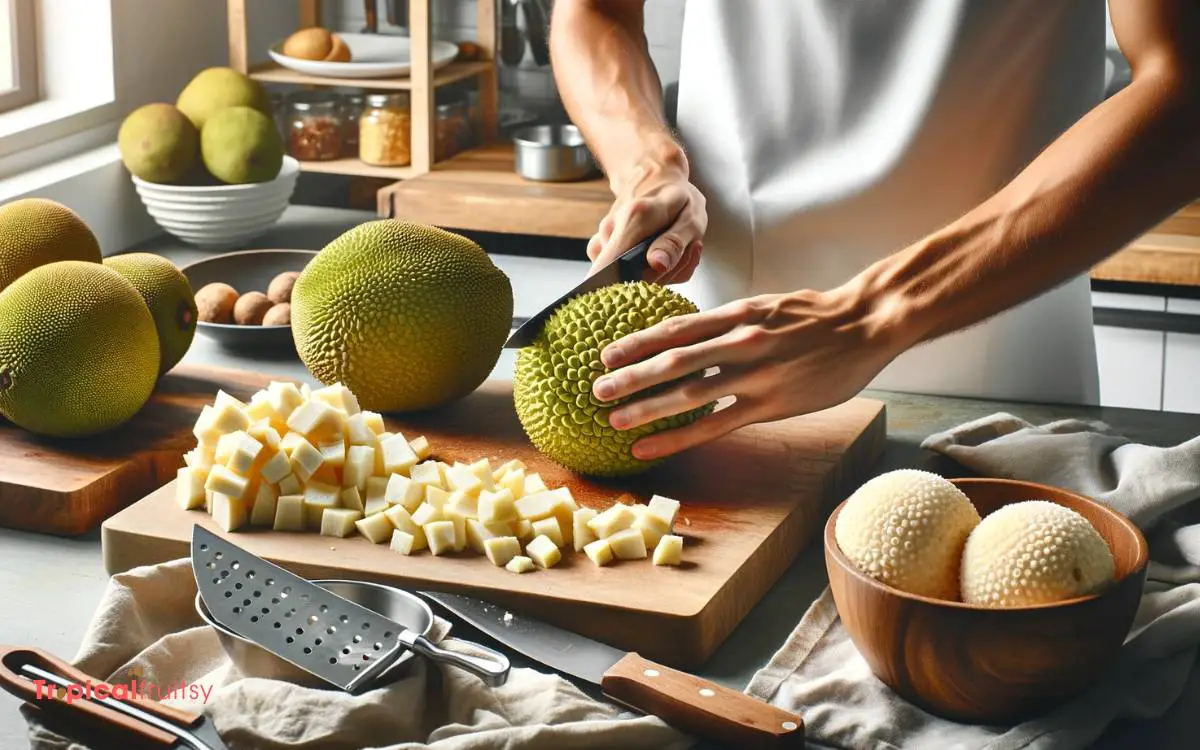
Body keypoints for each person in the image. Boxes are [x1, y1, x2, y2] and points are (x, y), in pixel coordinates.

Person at [548, 0, 1200, 461]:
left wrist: (871, 314)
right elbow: (595, 10)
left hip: (997, 370)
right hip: (718, 374)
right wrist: (648, 163)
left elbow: (1183, 89)